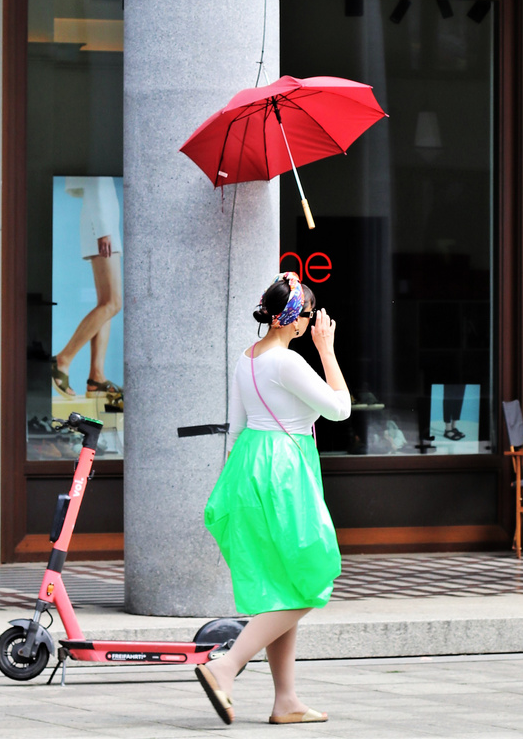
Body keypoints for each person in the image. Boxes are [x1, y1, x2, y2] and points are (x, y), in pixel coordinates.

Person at [196, 271, 351, 726]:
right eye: (307, 315)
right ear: (293, 319)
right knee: (314, 576)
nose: (310, 323)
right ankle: (224, 668)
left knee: (281, 585)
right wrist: (327, 350)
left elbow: (238, 426)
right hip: (285, 472)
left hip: (248, 468)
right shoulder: (287, 362)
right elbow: (339, 409)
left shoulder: (246, 358)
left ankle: (286, 699)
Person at [51, 177, 123, 400]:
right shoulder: (98, 153)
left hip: (104, 225)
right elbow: (96, 183)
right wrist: (103, 229)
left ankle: (96, 377)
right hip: (102, 227)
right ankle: (62, 360)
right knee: (113, 303)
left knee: (106, 304)